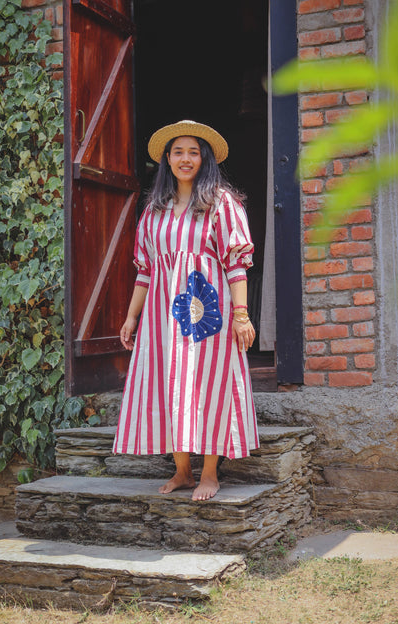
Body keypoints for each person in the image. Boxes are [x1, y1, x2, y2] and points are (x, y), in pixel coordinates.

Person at [113, 120, 259, 501]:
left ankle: (209, 473)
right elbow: (145, 270)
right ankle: (183, 471)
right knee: (169, 385)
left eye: (194, 152)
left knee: (208, 387)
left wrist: (241, 315)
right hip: (162, 318)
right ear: (167, 159)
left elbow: (236, 263)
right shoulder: (154, 211)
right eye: (178, 151)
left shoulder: (220, 204)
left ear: (205, 159)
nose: (186, 158)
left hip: (207, 314)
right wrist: (132, 317)